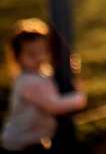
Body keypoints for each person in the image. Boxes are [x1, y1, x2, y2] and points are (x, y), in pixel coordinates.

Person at [1, 19, 86, 153]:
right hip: (20, 145)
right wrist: (79, 99)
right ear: (17, 57)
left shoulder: (41, 75)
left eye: (43, 51)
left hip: (35, 140)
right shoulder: (27, 82)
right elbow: (54, 106)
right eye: (31, 54)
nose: (39, 57)